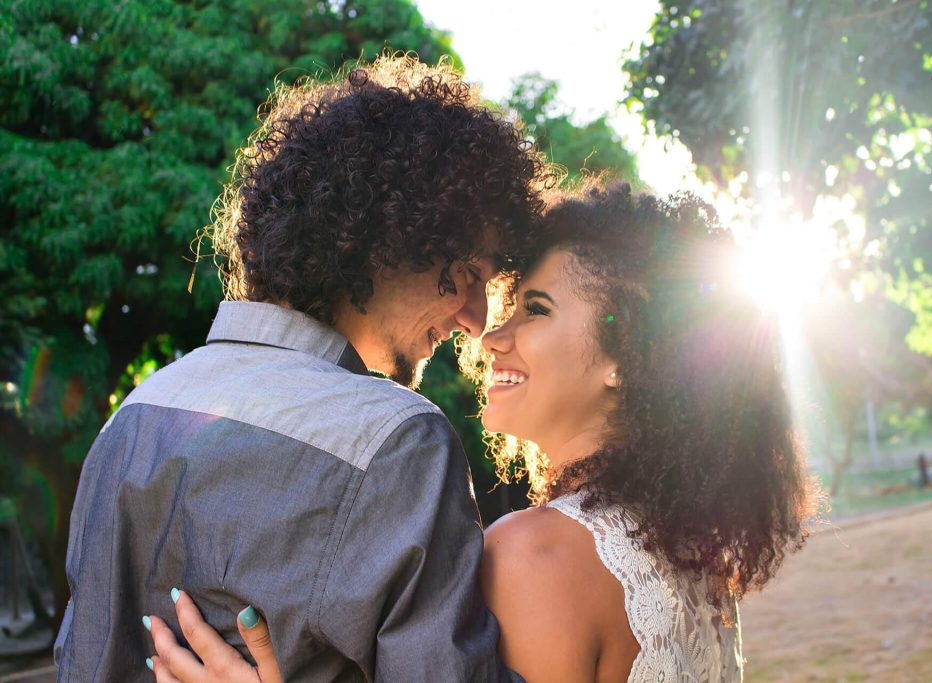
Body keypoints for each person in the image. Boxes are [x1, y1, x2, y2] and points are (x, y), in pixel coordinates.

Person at [143, 183, 817, 682]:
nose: (493, 335)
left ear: (627, 357)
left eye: (538, 309)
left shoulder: (532, 557)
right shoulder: (685, 553)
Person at [56, 53, 549, 682]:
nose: (476, 322)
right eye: (470, 276)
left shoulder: (132, 415)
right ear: (390, 235)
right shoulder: (398, 441)